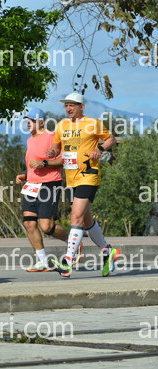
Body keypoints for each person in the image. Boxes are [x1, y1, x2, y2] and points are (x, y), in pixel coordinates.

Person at [46, 92, 119, 278]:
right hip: (71, 178)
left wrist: (100, 149)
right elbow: (57, 146)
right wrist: (53, 151)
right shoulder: (61, 125)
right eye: (66, 105)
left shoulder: (92, 123)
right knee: (85, 220)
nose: (68, 108)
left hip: (89, 175)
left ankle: (67, 262)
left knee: (76, 216)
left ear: (82, 107)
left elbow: (111, 139)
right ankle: (107, 251)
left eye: (72, 105)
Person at [16, 107, 77, 272]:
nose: (28, 123)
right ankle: (43, 261)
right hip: (31, 185)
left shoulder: (52, 137)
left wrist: (44, 163)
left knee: (46, 227)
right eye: (27, 121)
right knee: (29, 223)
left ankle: (73, 243)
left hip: (49, 184)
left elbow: (65, 159)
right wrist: (25, 174)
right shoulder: (30, 140)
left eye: (32, 121)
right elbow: (33, 164)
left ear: (41, 122)